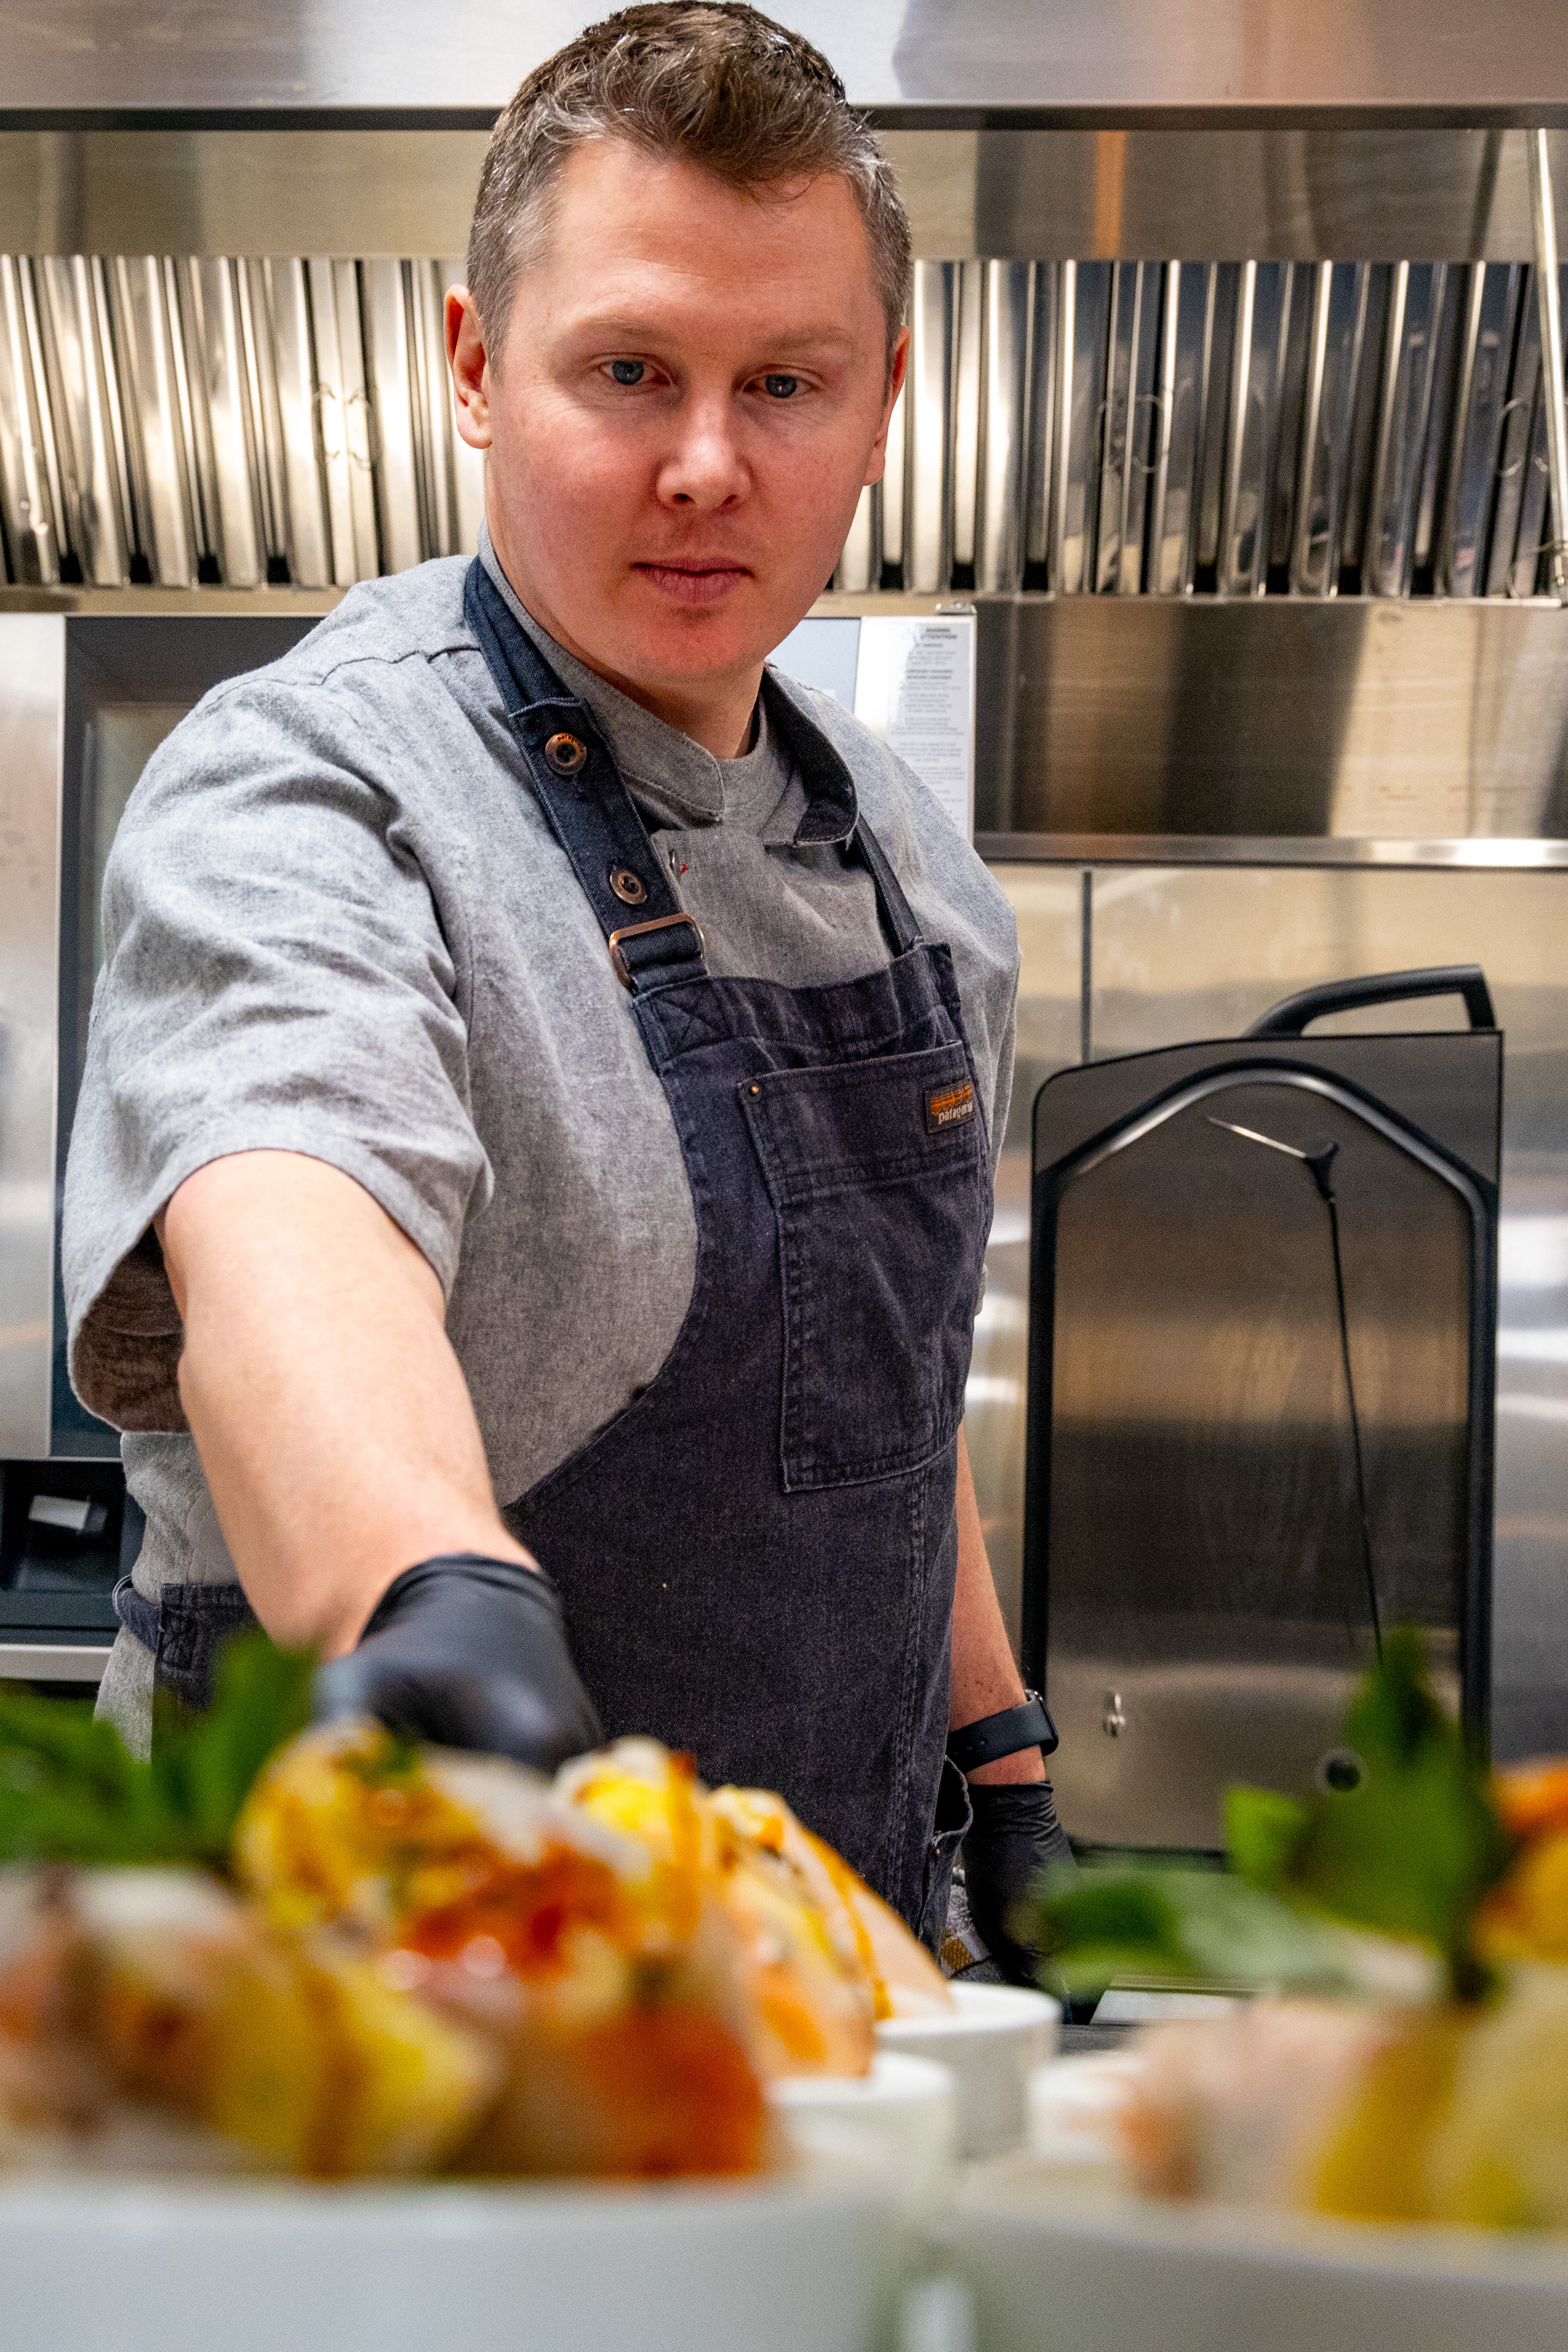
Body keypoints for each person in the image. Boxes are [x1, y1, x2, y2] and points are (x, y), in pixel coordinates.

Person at [61, 1, 1069, 1971]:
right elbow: (287, 1208)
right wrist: (416, 1586)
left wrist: (1003, 1754)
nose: (707, 465)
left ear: (884, 399)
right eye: (629, 370)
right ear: (472, 367)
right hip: (356, 1990)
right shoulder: (311, 780)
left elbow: (870, 1379)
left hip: (811, 1976)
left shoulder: (914, 868)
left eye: (785, 381)